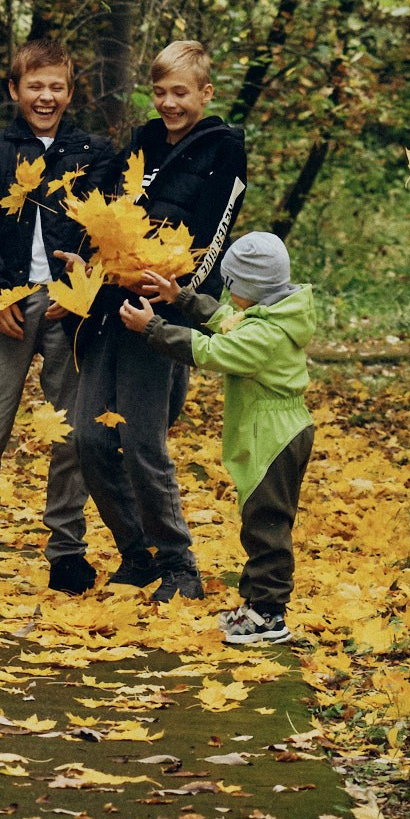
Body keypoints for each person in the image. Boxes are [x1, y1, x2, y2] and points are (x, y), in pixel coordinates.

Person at [65, 40, 246, 603]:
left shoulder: (224, 149)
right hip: (107, 307)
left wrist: (182, 293)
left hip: (160, 314)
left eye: (181, 93)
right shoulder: (140, 144)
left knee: (143, 442)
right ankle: (136, 554)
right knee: (89, 438)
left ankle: (179, 565)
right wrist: (86, 261)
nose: (169, 103)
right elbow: (111, 215)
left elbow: (217, 234)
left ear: (204, 93)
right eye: (161, 92)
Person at [0, 40, 106, 592]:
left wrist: (82, 291)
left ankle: (67, 547)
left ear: (70, 90)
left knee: (71, 433)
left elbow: (104, 231)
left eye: (56, 86)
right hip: (9, 305)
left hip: (68, 308)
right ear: (14, 90)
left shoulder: (92, 151)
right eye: (34, 85)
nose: (46, 96)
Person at [118, 232, 317, 645]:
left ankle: (269, 616)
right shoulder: (270, 313)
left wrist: (152, 328)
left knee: (267, 525)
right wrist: (182, 298)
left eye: (232, 287)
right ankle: (256, 603)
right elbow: (225, 318)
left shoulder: (264, 335)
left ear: (246, 289)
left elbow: (209, 349)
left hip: (274, 436)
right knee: (258, 520)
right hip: (276, 428)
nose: (228, 295)